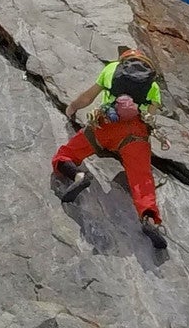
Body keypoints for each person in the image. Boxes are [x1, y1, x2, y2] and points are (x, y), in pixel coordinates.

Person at [52, 47, 166, 248]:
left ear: (124, 61)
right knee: (141, 178)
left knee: (65, 154)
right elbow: (149, 118)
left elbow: (88, 98)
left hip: (104, 125)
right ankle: (148, 217)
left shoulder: (112, 69)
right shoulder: (153, 85)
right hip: (134, 134)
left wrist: (71, 108)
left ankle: (78, 175)